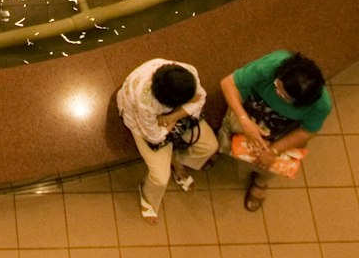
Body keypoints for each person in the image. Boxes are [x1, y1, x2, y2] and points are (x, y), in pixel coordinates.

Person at [219, 50, 331, 211]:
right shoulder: (274, 64)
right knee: (229, 126)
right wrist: (245, 121)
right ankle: (221, 150)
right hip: (249, 107)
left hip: (281, 127)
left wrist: (274, 150)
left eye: (285, 96)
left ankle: (261, 181)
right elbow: (228, 83)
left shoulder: (321, 106)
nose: (277, 93)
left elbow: (307, 130)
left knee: (273, 160)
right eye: (277, 86)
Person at [116, 58, 218, 224]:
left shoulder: (187, 74)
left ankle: (177, 161)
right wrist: (170, 123)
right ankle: (147, 195)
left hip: (169, 116)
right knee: (160, 178)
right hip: (142, 120)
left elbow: (200, 97)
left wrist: (171, 118)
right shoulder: (146, 104)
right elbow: (153, 136)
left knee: (209, 146)